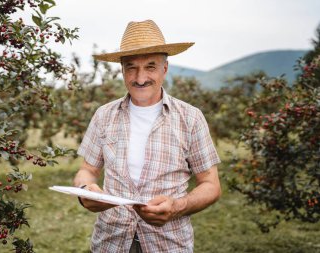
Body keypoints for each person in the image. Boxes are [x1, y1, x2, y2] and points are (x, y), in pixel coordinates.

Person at [73, 19, 221, 253]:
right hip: (110, 242)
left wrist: (177, 206)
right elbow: (87, 170)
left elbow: (211, 184)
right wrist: (85, 190)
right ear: (122, 70)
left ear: (165, 68)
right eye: (131, 67)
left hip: (168, 244)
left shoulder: (190, 118)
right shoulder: (104, 116)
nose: (140, 78)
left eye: (150, 66)